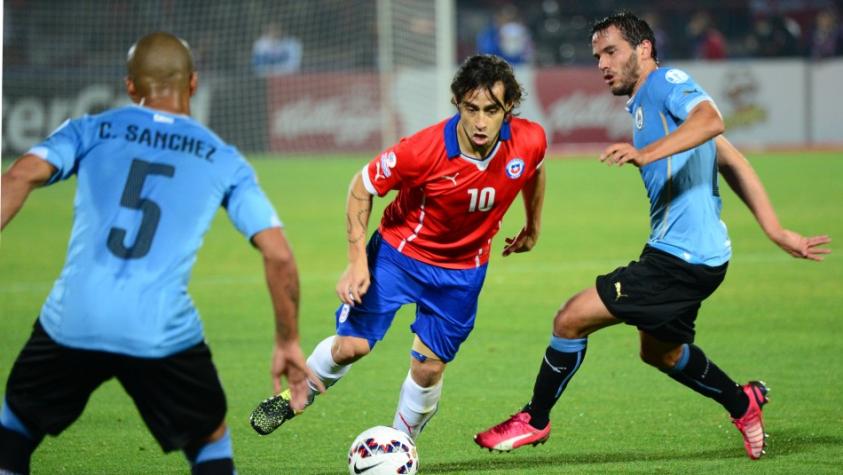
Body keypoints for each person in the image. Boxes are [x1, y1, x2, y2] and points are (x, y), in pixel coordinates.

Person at [474, 12, 831, 460]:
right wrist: (776, 231)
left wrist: (646, 153)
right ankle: (743, 402)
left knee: (570, 318)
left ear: (643, 49)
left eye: (611, 52)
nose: (602, 64)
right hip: (691, 254)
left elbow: (712, 119)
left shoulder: (667, 83)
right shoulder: (648, 103)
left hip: (683, 259)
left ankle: (535, 420)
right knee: (661, 353)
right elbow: (731, 159)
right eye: (596, 56)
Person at [0, 32, 319, 475]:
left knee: (15, 426)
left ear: (131, 87)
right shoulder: (223, 159)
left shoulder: (90, 129)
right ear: (193, 83)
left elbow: (17, 177)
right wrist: (287, 339)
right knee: (210, 439)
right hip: (159, 331)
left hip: (73, 319)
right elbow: (279, 254)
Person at [248, 54, 547, 442]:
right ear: (457, 103)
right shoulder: (421, 151)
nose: (480, 122)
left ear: (509, 107)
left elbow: (533, 169)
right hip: (398, 256)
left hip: (463, 271)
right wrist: (357, 262)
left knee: (428, 368)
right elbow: (362, 186)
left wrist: (533, 226)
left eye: (491, 110)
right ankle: (298, 395)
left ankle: (399, 446)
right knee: (352, 346)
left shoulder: (530, 138)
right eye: (471, 108)